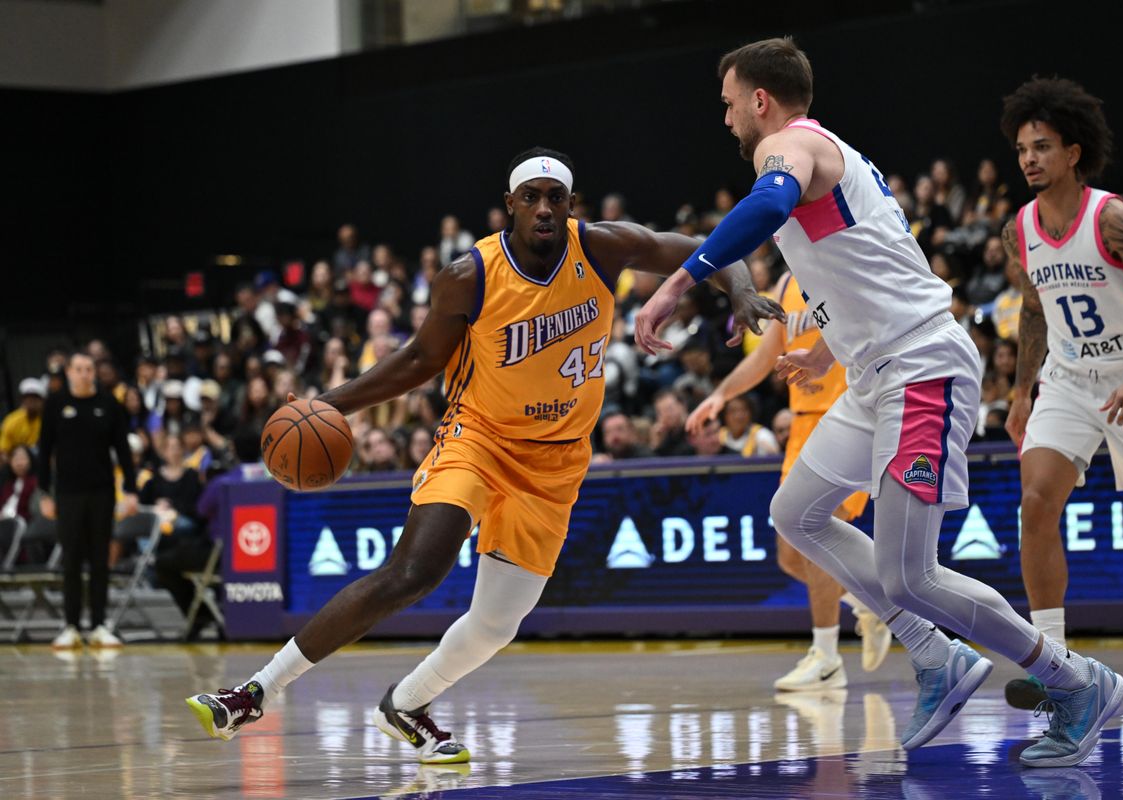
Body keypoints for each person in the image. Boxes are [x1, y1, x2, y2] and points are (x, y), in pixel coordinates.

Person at [185, 146, 781, 762]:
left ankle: (408, 703)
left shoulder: (601, 247)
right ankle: (256, 691)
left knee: (497, 625)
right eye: (532, 198)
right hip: (479, 439)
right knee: (414, 571)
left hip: (557, 462)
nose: (545, 208)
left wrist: (739, 289)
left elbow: (707, 247)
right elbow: (419, 360)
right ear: (510, 206)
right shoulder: (469, 275)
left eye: (556, 198)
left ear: (571, 207)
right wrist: (329, 403)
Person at [634, 38, 1123, 767]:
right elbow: (870, 271)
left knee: (910, 575)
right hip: (876, 372)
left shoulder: (790, 150)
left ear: (761, 102)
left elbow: (767, 204)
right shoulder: (831, 160)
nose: (727, 117)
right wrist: (825, 348)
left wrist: (678, 284)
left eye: (731, 102)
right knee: (794, 512)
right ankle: (937, 655)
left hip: (920, 370)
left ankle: (1075, 680)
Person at [996, 77, 1123, 711]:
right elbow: (1034, 311)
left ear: (1073, 152)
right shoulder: (1019, 229)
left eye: (1043, 147)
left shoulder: (1111, 218)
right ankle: (1054, 665)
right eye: (1023, 148)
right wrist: (1022, 390)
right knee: (1035, 503)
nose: (1029, 159)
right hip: (1066, 379)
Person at [687, 271, 890, 690]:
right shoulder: (783, 286)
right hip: (801, 427)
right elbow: (763, 360)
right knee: (789, 555)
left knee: (817, 533)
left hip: (846, 416)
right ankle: (867, 603)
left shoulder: (840, 264)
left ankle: (827, 656)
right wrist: (720, 395)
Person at [38, 352, 137, 649]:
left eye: (89, 369)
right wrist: (44, 492)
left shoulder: (108, 404)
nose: (84, 374)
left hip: (102, 493)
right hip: (67, 494)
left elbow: (123, 451)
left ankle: (98, 625)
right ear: (68, 372)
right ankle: (70, 625)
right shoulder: (55, 404)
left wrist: (130, 490)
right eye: (78, 369)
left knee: (99, 560)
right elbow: (44, 451)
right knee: (71, 560)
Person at [1, 377, 46, 457]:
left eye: (34, 397)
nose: (30, 401)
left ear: (42, 400)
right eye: (27, 398)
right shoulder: (12, 421)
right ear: (22, 400)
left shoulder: (49, 419)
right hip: (18, 464)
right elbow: (4, 451)